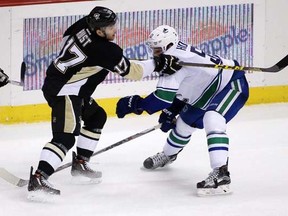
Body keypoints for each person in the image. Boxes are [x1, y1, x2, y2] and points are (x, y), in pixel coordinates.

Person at [27, 7, 182, 197]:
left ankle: (81, 163)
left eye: (114, 24)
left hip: (69, 86)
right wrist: (160, 63)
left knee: (96, 117)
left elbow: (72, 40)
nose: (115, 30)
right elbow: (133, 72)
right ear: (99, 31)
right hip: (64, 91)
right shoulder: (102, 49)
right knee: (65, 137)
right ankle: (39, 177)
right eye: (110, 27)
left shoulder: (85, 24)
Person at [116, 25, 249, 196]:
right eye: (153, 48)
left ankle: (221, 173)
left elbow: (161, 99)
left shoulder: (173, 64)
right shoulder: (176, 53)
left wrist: (136, 104)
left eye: (158, 49)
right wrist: (173, 109)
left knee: (212, 118)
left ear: (168, 46)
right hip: (204, 91)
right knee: (183, 125)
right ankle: (168, 155)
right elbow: (186, 85)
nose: (155, 53)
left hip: (230, 84)